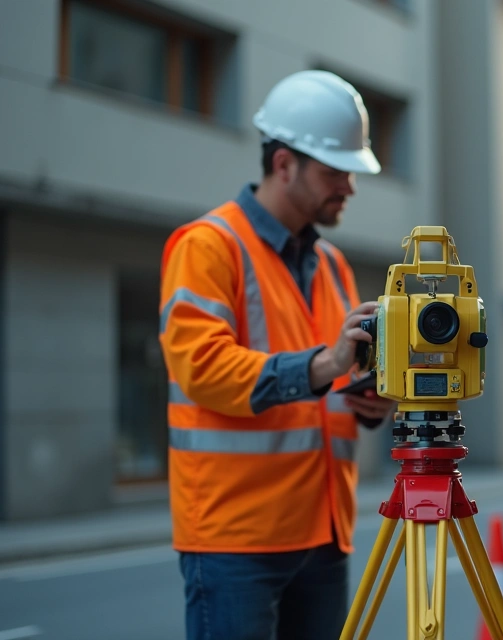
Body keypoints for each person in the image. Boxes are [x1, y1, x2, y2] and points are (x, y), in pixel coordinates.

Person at [158, 70, 396, 640]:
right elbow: (202, 370)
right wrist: (325, 366)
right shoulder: (208, 246)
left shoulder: (332, 263)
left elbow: (333, 381)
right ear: (284, 164)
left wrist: (367, 399)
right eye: (335, 170)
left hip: (323, 533)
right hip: (237, 538)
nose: (349, 187)